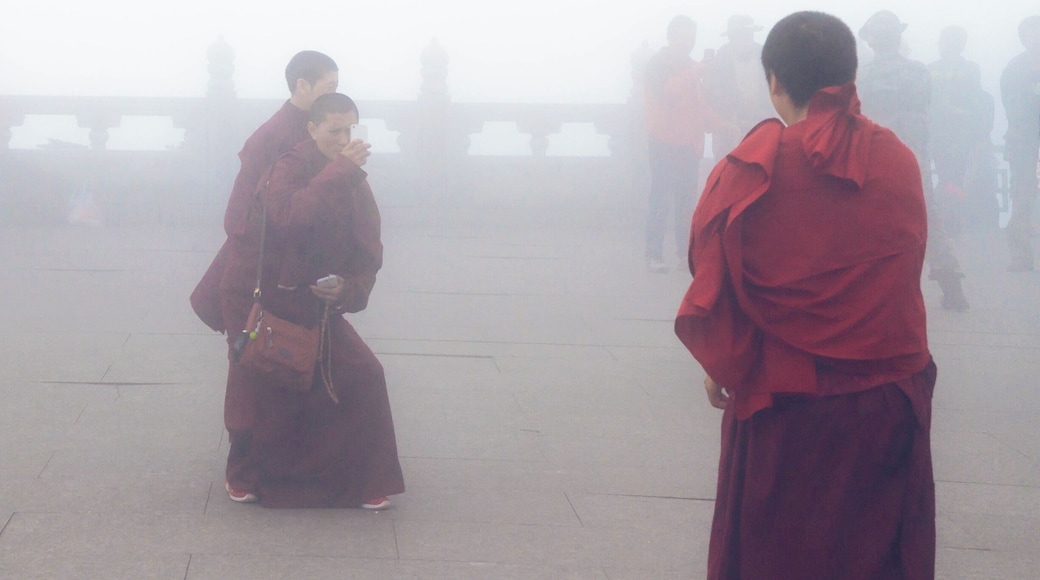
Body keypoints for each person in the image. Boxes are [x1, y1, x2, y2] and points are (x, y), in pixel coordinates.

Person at [675, 11, 936, 578]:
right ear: (850, 72)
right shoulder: (898, 160)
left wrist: (723, 361)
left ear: (773, 81)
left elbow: (716, 279)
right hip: (886, 404)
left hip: (787, 408)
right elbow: (902, 274)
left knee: (780, 558)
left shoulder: (747, 171)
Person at [218, 92, 404, 508]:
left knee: (364, 375)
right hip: (276, 302)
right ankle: (244, 475)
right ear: (312, 129)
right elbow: (287, 217)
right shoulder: (291, 165)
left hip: (320, 306)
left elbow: (368, 250)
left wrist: (349, 288)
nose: (343, 139)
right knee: (265, 392)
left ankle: (364, 480)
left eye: (350, 130)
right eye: (334, 130)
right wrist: (338, 171)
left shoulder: (354, 179)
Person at [191, 50, 340, 334]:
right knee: (255, 361)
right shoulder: (274, 136)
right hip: (259, 272)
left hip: (290, 269)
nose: (334, 96)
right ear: (302, 85)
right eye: (329, 88)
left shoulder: (313, 129)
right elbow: (238, 214)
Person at [858, 10, 970, 311]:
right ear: (899, 38)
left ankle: (879, 291)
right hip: (913, 155)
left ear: (872, 41)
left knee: (872, 219)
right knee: (927, 215)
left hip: (873, 156)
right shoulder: (920, 71)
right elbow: (925, 108)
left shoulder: (862, 76)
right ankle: (951, 286)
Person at [642, 16, 721, 272]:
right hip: (663, 141)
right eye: (685, 37)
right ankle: (654, 255)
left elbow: (698, 105)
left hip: (689, 144)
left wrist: (722, 125)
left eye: (692, 37)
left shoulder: (691, 66)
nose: (689, 43)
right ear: (672, 37)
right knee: (660, 199)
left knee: (686, 202)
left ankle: (683, 253)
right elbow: (669, 91)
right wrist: (696, 71)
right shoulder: (658, 65)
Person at [927, 26, 991, 235]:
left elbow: (976, 101)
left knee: (953, 178)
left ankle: (949, 219)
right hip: (944, 135)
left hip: (957, 136)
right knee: (950, 178)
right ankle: (948, 219)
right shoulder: (932, 69)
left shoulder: (968, 69)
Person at [702, 15, 774, 160]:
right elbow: (710, 94)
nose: (743, 40)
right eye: (738, 36)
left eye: (746, 35)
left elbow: (777, 91)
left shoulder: (767, 58)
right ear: (730, 38)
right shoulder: (718, 61)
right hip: (727, 131)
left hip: (761, 128)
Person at [1000, 15, 1040, 271]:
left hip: (1024, 140)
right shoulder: (1015, 68)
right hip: (1024, 142)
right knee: (1022, 198)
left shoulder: (1015, 68)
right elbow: (1013, 109)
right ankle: (1021, 257)